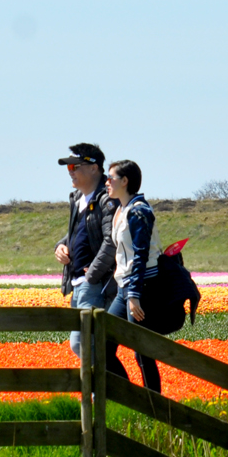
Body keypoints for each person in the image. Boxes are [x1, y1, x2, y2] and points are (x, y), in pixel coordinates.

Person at [53, 143, 125, 378]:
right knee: (89, 344)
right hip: (77, 282)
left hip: (94, 282)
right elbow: (76, 233)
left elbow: (110, 241)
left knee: (84, 343)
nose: (70, 171)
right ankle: (111, 395)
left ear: (94, 168)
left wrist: (91, 276)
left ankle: (116, 392)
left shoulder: (107, 199)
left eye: (75, 166)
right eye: (68, 167)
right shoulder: (77, 198)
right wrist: (61, 246)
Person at [103, 159, 162, 394]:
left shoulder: (139, 211)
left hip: (141, 286)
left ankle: (153, 404)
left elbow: (140, 255)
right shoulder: (120, 209)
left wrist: (135, 295)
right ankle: (129, 396)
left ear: (125, 181)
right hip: (124, 287)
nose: (106, 182)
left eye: (111, 178)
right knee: (103, 342)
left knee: (141, 350)